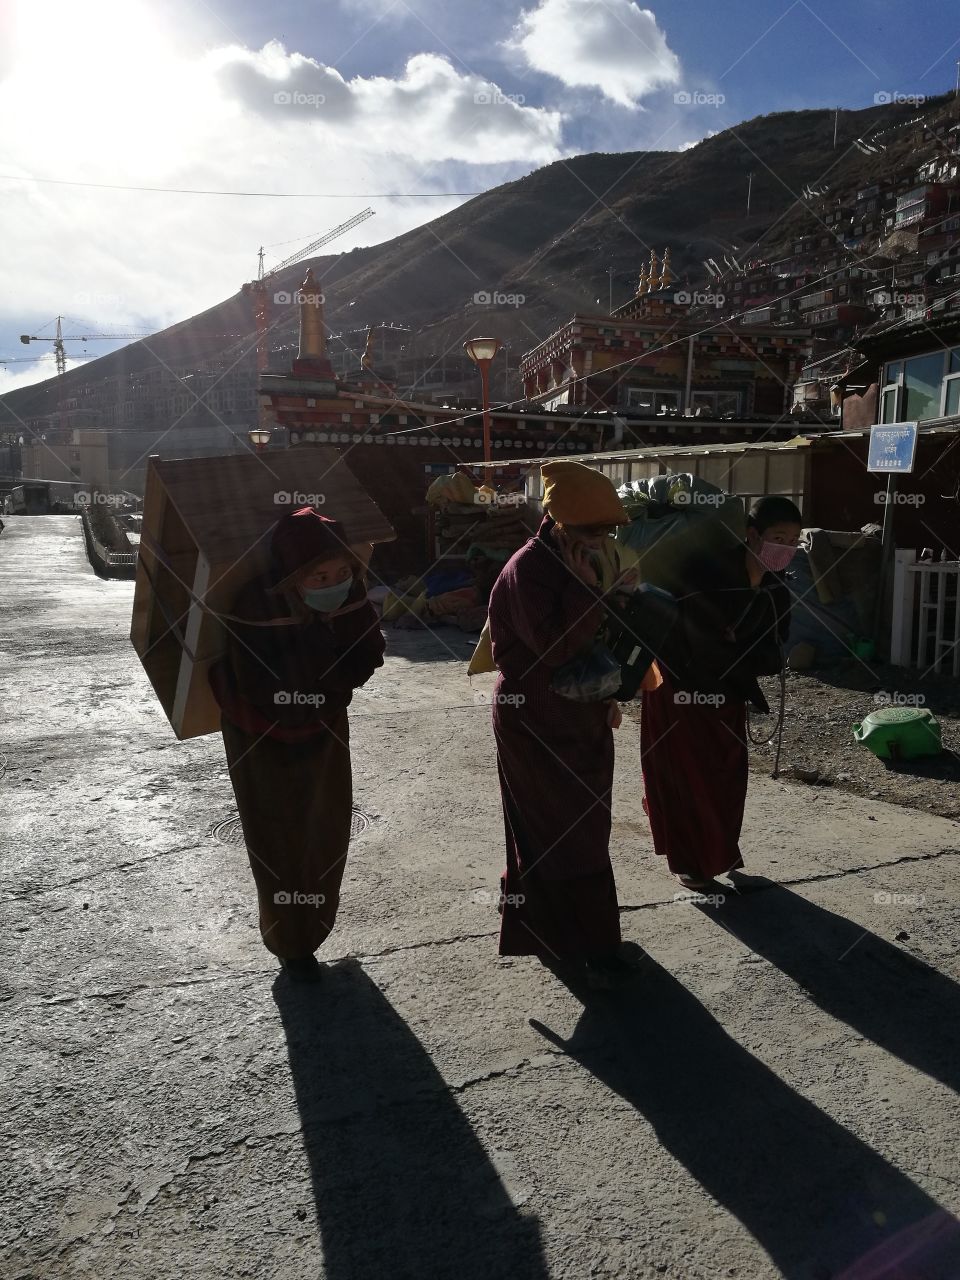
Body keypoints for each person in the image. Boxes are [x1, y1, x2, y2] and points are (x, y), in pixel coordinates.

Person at [209, 507, 385, 981]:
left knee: (326, 828)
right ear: (292, 577)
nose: (336, 582)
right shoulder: (255, 609)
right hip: (260, 737)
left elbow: (368, 655)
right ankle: (292, 944)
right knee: (278, 839)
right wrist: (326, 672)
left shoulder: (350, 599)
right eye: (320, 575)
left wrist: (332, 683)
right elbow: (266, 690)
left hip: (324, 730)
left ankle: (315, 927)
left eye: (343, 571)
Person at [487, 460, 639, 988]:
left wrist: (613, 689)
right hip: (532, 717)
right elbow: (555, 649)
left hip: (584, 715)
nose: (602, 539)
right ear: (558, 523)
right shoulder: (528, 570)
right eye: (592, 530)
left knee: (588, 829)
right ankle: (576, 939)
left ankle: (589, 933)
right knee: (551, 832)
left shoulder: (590, 557)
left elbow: (601, 639)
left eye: (608, 530)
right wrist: (585, 590)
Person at [639, 495, 802, 889]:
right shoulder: (706, 573)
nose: (787, 548)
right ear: (752, 535)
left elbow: (774, 652)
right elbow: (686, 636)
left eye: (795, 540)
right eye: (778, 537)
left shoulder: (777, 589)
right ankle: (690, 863)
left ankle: (718, 852)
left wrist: (737, 645)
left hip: (728, 696)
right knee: (686, 779)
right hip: (680, 692)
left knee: (726, 781)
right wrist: (734, 644)